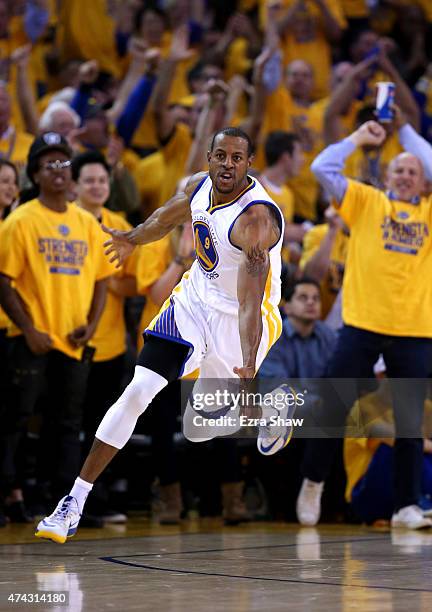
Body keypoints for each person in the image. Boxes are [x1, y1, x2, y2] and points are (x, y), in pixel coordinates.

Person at [35, 126, 286, 544]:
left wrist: (248, 367)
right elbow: (167, 216)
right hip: (193, 301)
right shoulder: (198, 186)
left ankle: (267, 413)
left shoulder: (255, 219)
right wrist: (133, 239)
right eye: (220, 155)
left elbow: (248, 304)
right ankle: (73, 502)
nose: (227, 164)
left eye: (236, 158)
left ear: (249, 163)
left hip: (244, 318)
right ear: (208, 157)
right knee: (138, 391)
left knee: (204, 427)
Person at [296, 114, 432, 530]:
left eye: (414, 171)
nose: (406, 176)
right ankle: (314, 482)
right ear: (387, 177)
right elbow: (322, 168)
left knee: (410, 422)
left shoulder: (429, 213)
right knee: (333, 404)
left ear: (424, 181)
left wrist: (405, 132)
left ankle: (407, 506)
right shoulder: (366, 201)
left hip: (413, 328)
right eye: (399, 170)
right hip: (362, 323)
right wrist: (359, 136)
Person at [0, 132, 114, 521]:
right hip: (29, 342)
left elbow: (102, 279)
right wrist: (29, 329)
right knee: (15, 422)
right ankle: (12, 498)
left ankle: (65, 504)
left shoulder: (86, 222)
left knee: (67, 425)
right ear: (35, 173)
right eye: (49, 164)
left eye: (64, 163)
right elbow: (3, 281)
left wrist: (92, 324)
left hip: (72, 341)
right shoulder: (20, 221)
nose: (59, 171)